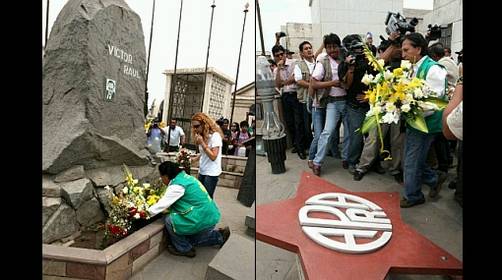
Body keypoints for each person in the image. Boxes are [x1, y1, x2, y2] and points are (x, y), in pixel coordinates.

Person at [399, 32, 448, 208]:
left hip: (426, 123)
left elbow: (433, 101)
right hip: (414, 121)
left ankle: (413, 196)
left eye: (406, 50)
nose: (403, 54)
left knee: (411, 161)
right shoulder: (411, 67)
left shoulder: (433, 69)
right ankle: (434, 178)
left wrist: (407, 108)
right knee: (415, 160)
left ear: (418, 49)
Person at [147, 161, 230, 257]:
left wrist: (145, 213)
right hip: (209, 215)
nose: (161, 179)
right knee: (192, 239)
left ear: (166, 176)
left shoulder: (177, 186)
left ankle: (184, 249)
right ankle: (219, 236)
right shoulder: (185, 178)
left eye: (161, 177)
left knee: (170, 220)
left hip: (203, 218)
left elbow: (161, 205)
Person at [310, 33, 350, 176]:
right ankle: (317, 162)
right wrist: (332, 83)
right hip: (332, 102)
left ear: (339, 47)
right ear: (325, 48)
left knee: (349, 133)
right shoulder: (323, 62)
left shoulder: (345, 59)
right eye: (329, 47)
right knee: (327, 132)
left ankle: (346, 158)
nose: (332, 50)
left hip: (347, 101)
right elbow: (314, 83)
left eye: (335, 47)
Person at [190, 112, 223, 198]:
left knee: (207, 198)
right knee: (200, 196)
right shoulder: (202, 136)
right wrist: (194, 159)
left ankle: (211, 212)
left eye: (197, 126)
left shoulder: (215, 136)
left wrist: (202, 143)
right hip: (202, 170)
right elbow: (203, 153)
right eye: (193, 127)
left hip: (212, 172)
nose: (195, 129)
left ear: (204, 124)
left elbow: (213, 156)